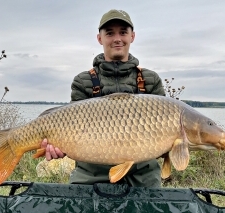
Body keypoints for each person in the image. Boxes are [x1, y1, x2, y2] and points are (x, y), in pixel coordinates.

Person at [40, 9, 165, 188]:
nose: (117, 39)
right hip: (91, 175)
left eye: (123, 32)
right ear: (100, 38)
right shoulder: (83, 81)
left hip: (143, 177)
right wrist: (59, 145)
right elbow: (70, 130)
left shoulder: (150, 80)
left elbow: (164, 139)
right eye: (110, 33)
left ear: (132, 36)